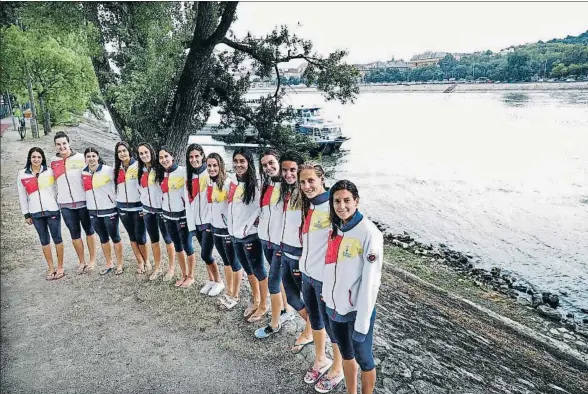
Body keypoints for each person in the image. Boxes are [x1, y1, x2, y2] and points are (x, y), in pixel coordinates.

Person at [323, 180, 383, 394]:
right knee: (346, 354)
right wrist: (326, 297)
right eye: (337, 201)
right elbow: (330, 266)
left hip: (356, 311)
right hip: (334, 306)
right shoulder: (336, 227)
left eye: (347, 200)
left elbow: (371, 282)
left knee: (364, 359)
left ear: (356, 201)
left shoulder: (369, 233)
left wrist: (362, 323)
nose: (341, 206)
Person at [298, 161, 345, 393]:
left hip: (325, 279)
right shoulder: (310, 206)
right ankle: (321, 359)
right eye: (303, 182)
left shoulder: (333, 206)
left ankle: (338, 367)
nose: (307, 186)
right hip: (307, 275)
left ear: (322, 179)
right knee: (314, 320)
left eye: (311, 181)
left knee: (331, 324)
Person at [273, 151, 314, 351]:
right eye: (285, 170)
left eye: (293, 170)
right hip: (285, 251)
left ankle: (312, 329)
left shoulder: (305, 195)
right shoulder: (286, 191)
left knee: (303, 297)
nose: (288, 174)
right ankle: (314, 326)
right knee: (291, 297)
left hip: (299, 255)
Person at [255, 149, 295, 339]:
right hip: (266, 239)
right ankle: (286, 309)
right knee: (277, 278)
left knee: (273, 282)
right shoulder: (266, 184)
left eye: (271, 163)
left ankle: (275, 323)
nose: (268, 167)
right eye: (264, 165)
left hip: (280, 243)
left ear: (279, 162)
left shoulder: (290, 187)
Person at [227, 148, 268, 322]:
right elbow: (232, 208)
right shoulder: (234, 182)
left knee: (258, 269)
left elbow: (260, 210)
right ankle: (256, 298)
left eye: (242, 161)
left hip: (250, 235)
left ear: (249, 163)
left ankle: (264, 305)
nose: (238, 164)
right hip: (235, 235)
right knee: (248, 269)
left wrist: (247, 228)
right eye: (235, 161)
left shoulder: (257, 184)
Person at [50, 131, 97, 274]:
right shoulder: (53, 161)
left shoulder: (81, 158)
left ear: (69, 143)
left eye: (64, 143)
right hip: (65, 204)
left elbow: (93, 172)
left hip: (83, 201)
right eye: (58, 144)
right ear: (55, 146)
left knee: (89, 231)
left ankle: (92, 260)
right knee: (74, 234)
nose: (62, 146)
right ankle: (81, 261)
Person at [17, 147, 65, 280]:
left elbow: (57, 187)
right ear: (29, 158)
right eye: (33, 157)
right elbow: (22, 196)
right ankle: (51, 268)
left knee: (57, 238)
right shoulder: (22, 174)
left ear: (42, 158)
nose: (36, 159)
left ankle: (60, 267)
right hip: (35, 213)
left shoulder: (49, 172)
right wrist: (26, 214)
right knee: (44, 241)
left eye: (39, 157)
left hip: (52, 210)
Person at [186, 144, 225, 296]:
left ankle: (219, 281)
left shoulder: (209, 175)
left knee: (206, 254)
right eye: (191, 157)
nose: (194, 159)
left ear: (202, 156)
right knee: (204, 252)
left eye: (197, 156)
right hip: (197, 222)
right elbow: (189, 203)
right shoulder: (189, 176)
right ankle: (211, 279)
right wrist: (191, 224)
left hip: (209, 222)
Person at [206, 153, 243, 309]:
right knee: (226, 262)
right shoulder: (210, 182)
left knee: (235, 263)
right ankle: (229, 291)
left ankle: (235, 295)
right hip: (216, 229)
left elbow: (235, 207)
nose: (212, 168)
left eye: (215, 165)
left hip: (228, 231)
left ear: (221, 166)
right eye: (209, 166)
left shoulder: (229, 183)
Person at [156, 146, 196, 288]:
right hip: (167, 215)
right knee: (177, 246)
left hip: (182, 216)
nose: (164, 160)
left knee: (187, 246)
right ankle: (184, 275)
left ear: (172, 156)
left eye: (166, 156)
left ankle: (191, 276)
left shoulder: (183, 172)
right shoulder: (161, 173)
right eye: (161, 158)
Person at [137, 142, 175, 281]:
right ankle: (158, 267)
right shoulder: (140, 170)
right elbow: (140, 190)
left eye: (146, 152)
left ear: (151, 152)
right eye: (141, 153)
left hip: (161, 210)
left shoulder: (160, 168)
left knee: (168, 239)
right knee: (154, 240)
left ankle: (171, 268)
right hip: (147, 210)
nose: (144, 155)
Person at [82, 147, 124, 275]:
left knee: (115, 237)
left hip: (109, 209)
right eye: (88, 156)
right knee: (103, 238)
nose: (91, 159)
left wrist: (115, 200)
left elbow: (120, 185)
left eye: (93, 156)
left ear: (98, 157)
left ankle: (120, 264)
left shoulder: (108, 170)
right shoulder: (83, 172)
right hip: (93, 211)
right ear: (85, 159)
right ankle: (109, 263)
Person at [114, 141, 151, 274]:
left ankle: (147, 260)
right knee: (132, 236)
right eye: (119, 152)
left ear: (129, 151)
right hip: (123, 208)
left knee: (141, 236)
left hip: (138, 207)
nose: (122, 153)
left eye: (124, 150)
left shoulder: (138, 166)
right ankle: (140, 262)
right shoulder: (116, 168)